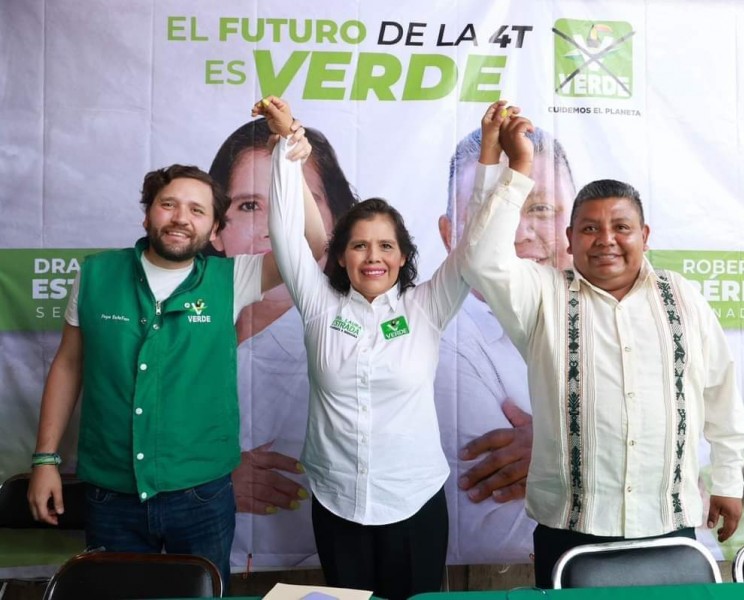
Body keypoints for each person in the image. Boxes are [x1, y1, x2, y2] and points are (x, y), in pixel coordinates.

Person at [460, 105, 744, 587]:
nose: (606, 241)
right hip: (572, 527)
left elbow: (721, 389)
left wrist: (726, 479)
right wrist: (517, 170)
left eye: (621, 227)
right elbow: (480, 257)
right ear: (570, 241)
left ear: (645, 236)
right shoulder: (541, 294)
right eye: (590, 228)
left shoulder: (682, 296)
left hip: (668, 519)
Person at [26, 128, 320, 589]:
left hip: (201, 495)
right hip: (111, 492)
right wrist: (45, 459)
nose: (181, 218)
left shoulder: (233, 278)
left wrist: (292, 161)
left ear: (214, 229)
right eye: (169, 204)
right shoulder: (97, 273)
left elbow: (314, 246)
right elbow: (68, 365)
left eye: (198, 210)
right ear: (147, 215)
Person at [262, 96, 470, 599]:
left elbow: (476, 249)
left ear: (403, 257)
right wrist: (289, 143)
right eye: (359, 244)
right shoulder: (319, 306)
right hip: (337, 503)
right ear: (340, 256)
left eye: (385, 246)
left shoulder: (427, 306)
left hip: (415, 502)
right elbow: (286, 232)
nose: (372, 256)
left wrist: (493, 166)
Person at [207, 117, 359, 567]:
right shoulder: (184, 318)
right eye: (251, 206)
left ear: (335, 221)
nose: (275, 226)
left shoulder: (351, 332)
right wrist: (207, 476)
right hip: (197, 553)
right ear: (218, 228)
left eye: (294, 201)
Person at [434, 110, 578, 563]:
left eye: (541, 209)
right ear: (447, 234)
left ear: (577, 227)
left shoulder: (618, 312)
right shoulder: (438, 341)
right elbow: (499, 526)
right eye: (490, 211)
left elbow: (678, 451)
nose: (518, 232)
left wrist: (559, 444)